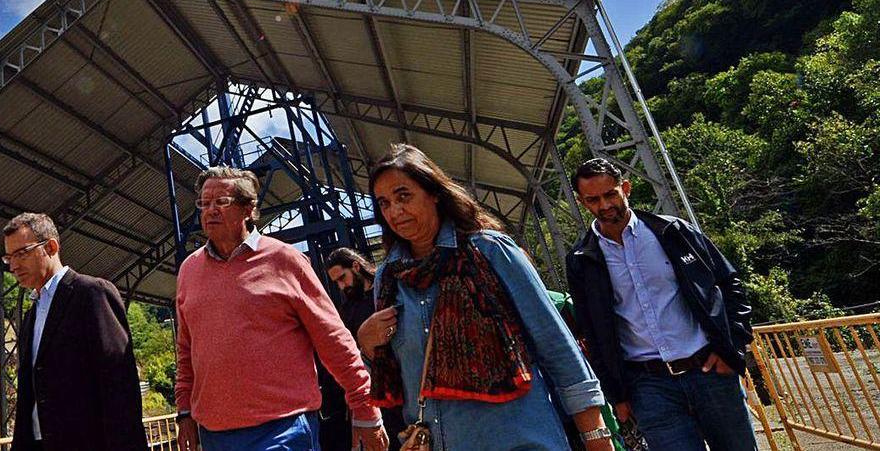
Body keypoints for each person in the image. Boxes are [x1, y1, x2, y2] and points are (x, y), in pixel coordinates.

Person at [357, 144, 614, 450]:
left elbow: (556, 346)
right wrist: (368, 347)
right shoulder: (387, 281)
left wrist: (595, 434)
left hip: (520, 441)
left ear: (434, 193)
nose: (395, 212)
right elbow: (397, 378)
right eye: (384, 204)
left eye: (404, 196)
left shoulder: (490, 252)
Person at [174, 167, 389, 451]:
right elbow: (186, 350)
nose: (210, 210)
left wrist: (364, 405)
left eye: (221, 202)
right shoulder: (189, 270)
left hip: (283, 430)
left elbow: (332, 338)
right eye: (204, 203)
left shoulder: (284, 260)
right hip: (215, 435)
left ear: (248, 209)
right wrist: (185, 412)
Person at [565, 157, 756, 451]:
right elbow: (592, 331)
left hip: (709, 370)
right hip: (649, 387)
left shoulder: (673, 232)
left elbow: (729, 283)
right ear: (582, 202)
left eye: (610, 194)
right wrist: (617, 395)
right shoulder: (582, 260)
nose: (604, 206)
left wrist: (732, 348)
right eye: (593, 200)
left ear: (625, 188)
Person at [4, 212, 148, 451]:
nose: (14, 266)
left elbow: (119, 385)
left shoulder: (91, 293)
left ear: (50, 247)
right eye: (9, 258)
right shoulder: (32, 314)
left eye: (21, 254)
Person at [323, 248, 404, 451]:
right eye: (337, 283)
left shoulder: (389, 288)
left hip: (407, 378)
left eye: (343, 278)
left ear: (356, 266)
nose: (342, 287)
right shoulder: (348, 311)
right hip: (379, 391)